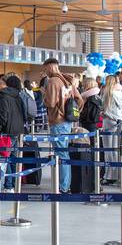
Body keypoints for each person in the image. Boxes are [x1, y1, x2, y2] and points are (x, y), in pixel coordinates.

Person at [41, 58, 80, 192]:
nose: (45, 72)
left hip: (57, 121)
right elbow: (79, 100)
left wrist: (44, 94)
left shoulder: (52, 81)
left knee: (61, 154)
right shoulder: (68, 81)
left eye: (45, 69)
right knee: (64, 153)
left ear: (50, 67)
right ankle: (65, 184)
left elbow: (50, 103)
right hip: (67, 121)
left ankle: (63, 186)